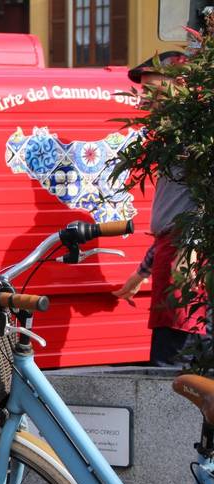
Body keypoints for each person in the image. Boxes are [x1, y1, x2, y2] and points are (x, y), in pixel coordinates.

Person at [113, 51, 207, 366]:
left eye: (153, 93)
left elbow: (202, 204)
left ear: (181, 83)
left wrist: (190, 250)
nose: (144, 102)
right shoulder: (174, 140)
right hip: (174, 256)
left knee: (176, 371)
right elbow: (171, 217)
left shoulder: (196, 140)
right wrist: (142, 272)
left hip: (186, 264)